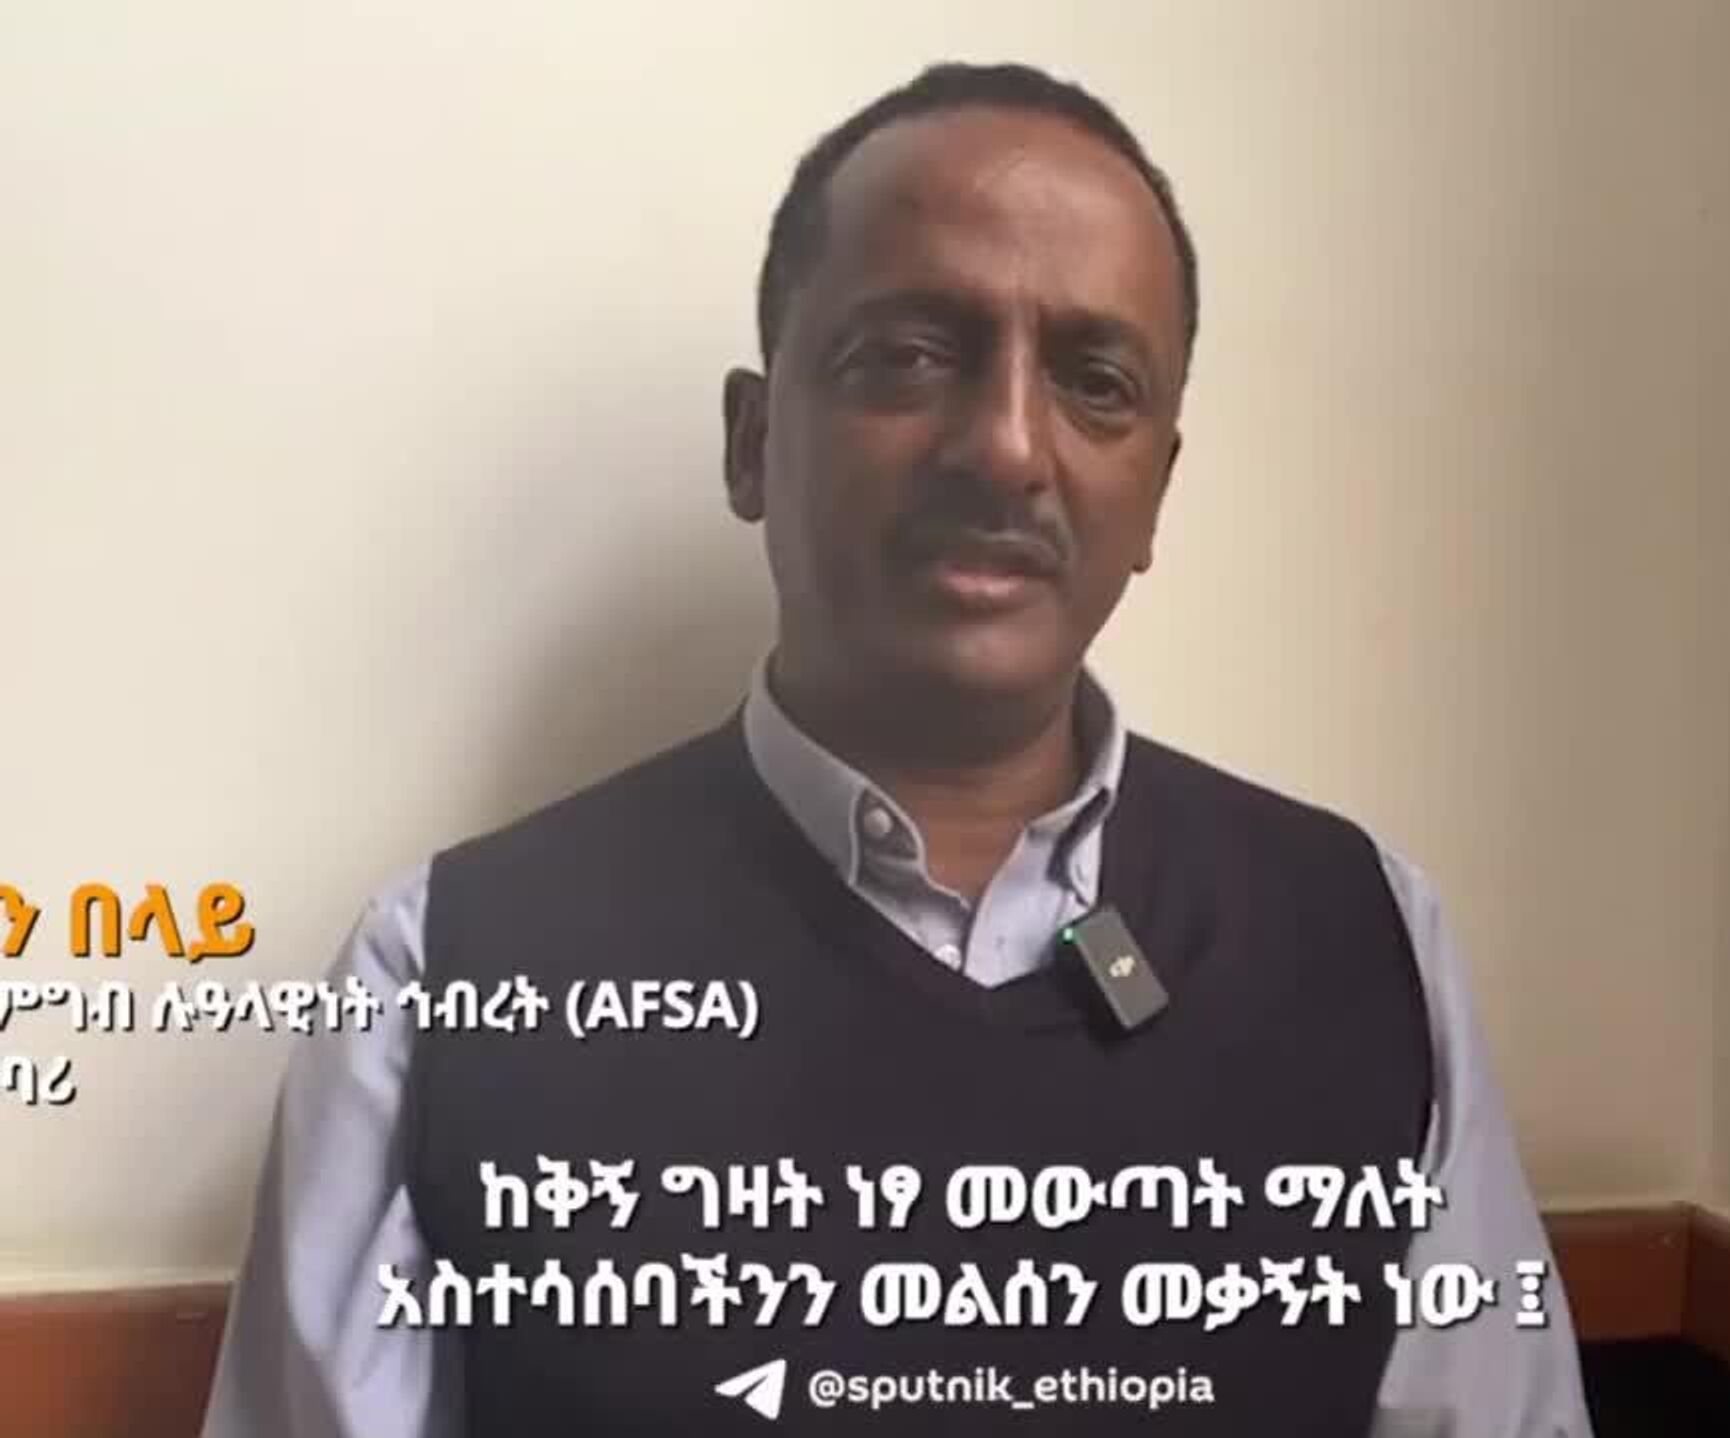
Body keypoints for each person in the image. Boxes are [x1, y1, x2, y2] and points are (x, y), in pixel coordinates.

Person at [201, 62, 1594, 1437]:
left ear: (1156, 493)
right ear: (752, 443)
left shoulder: (1368, 944)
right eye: (914, 355)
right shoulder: (442, 979)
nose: (1007, 447)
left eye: (1096, 382)